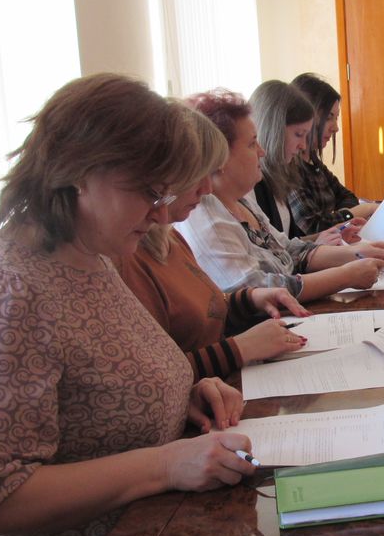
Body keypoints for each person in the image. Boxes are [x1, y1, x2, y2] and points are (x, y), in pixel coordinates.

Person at [0, 74, 256, 536]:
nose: (163, 212)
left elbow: (102, 384)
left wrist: (187, 392)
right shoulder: (8, 286)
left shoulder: (90, 256)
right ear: (78, 170)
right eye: (150, 190)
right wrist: (164, 465)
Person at [119, 108, 311, 381]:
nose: (207, 188)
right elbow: (157, 376)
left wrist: (248, 300)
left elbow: (204, 310)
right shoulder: (127, 256)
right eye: (198, 174)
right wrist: (239, 348)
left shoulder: (168, 235)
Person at [177, 89, 384, 299]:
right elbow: (255, 290)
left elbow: (287, 249)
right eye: (252, 144)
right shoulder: (208, 217)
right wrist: (346, 276)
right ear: (220, 155)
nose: (261, 151)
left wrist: (360, 253)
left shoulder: (241, 201)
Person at [288, 73, 378, 234]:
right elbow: (314, 227)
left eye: (336, 118)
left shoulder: (313, 161)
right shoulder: (289, 165)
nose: (335, 128)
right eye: (329, 117)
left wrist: (337, 217)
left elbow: (347, 197)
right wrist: (364, 209)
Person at [248, 80, 319, 239]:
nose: (303, 146)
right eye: (299, 134)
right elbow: (274, 250)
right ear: (274, 130)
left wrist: (326, 238)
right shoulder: (252, 185)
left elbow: (286, 244)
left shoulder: (280, 173)